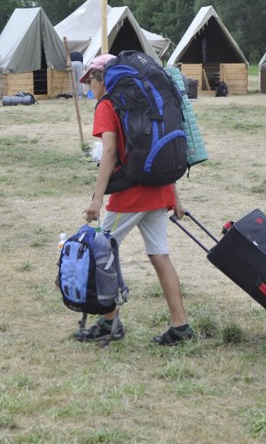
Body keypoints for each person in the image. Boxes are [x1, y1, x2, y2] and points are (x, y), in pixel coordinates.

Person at [77, 53, 194, 346]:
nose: (90, 87)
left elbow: (109, 152)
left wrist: (97, 198)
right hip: (160, 189)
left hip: (132, 195)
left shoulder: (108, 105)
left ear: (102, 78)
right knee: (159, 255)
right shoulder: (147, 100)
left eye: (90, 81)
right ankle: (180, 326)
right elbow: (161, 145)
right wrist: (174, 197)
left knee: (101, 252)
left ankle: (109, 322)